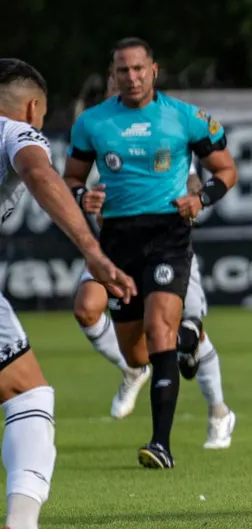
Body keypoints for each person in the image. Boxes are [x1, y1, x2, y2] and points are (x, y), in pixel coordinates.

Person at [63, 38, 239, 468]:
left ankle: (161, 444)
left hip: (168, 235)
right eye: (123, 70)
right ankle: (169, 353)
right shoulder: (92, 123)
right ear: (113, 75)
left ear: (154, 70)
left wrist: (202, 200)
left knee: (160, 332)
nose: (132, 77)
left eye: (139, 69)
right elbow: (70, 181)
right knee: (137, 352)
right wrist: (83, 195)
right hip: (118, 240)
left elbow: (226, 170)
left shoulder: (184, 118)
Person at [0, 58, 137, 529]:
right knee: (28, 394)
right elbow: (39, 172)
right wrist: (93, 251)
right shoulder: (18, 133)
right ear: (34, 107)